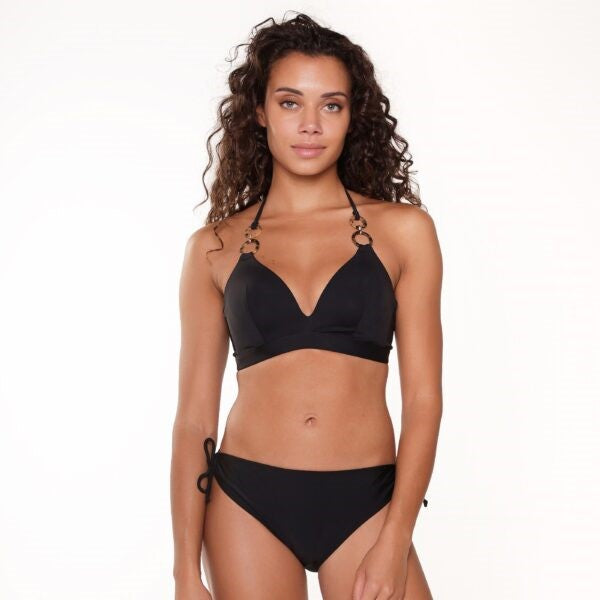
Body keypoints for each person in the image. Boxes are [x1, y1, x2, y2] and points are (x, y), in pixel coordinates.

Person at [172, 12, 443, 600]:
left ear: (352, 116)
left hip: (369, 500)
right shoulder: (214, 248)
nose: (311, 125)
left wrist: (396, 535)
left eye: (332, 105)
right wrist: (185, 573)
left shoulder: (405, 231)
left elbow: (424, 400)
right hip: (246, 502)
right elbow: (194, 420)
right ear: (259, 111)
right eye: (291, 102)